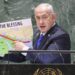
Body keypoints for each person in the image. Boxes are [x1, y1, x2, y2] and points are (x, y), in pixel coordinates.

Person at [3, 3, 71, 64]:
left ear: (53, 17)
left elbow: (48, 60)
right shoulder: (36, 33)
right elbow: (24, 57)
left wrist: (24, 48)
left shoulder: (61, 36)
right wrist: (2, 53)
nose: (41, 22)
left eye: (44, 17)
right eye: (38, 18)